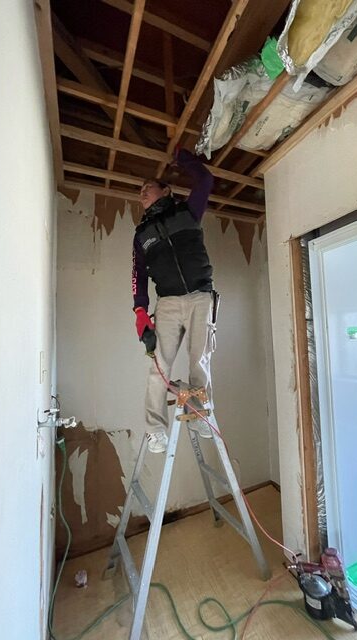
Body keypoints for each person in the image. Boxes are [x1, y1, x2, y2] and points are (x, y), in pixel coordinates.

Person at [131, 148, 217, 453]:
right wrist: (140, 310)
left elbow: (205, 180)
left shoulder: (187, 212)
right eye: (140, 190)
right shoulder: (142, 234)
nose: (142, 192)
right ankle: (155, 429)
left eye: (148, 187)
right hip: (167, 302)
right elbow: (138, 274)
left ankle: (199, 414)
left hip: (200, 296)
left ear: (166, 190)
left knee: (199, 361)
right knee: (159, 367)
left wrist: (185, 160)